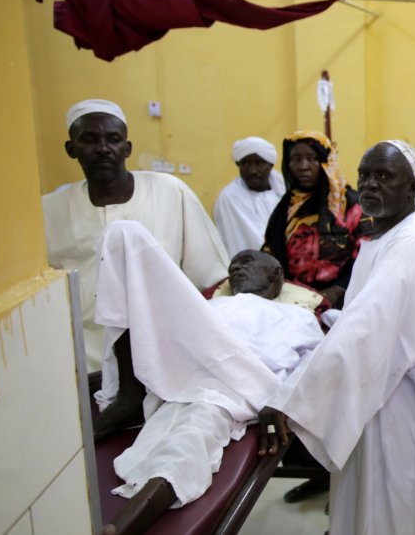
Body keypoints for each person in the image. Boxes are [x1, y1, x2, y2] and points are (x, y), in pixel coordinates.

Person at [258, 141, 415, 535]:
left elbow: (362, 335)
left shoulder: (406, 246)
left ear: (412, 188)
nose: (369, 185)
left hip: (398, 408)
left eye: (384, 176)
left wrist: (290, 402)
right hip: (386, 393)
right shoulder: (385, 236)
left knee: (394, 512)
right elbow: (373, 315)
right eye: (365, 175)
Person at [90, 221, 323, 535]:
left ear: (275, 274)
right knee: (122, 236)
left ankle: (121, 527)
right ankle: (127, 398)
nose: (237, 268)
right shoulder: (205, 306)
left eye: (247, 262)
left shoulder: (298, 315)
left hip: (234, 384)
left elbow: (313, 364)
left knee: (191, 434)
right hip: (184, 377)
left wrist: (282, 403)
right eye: (232, 266)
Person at [42, 99, 230, 370]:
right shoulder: (49, 211)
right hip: (86, 363)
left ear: (127, 148)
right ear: (71, 149)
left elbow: (212, 277)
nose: (103, 149)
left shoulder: (169, 192)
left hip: (170, 357)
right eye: (90, 140)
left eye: (113, 139)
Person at [263, 131, 368, 309]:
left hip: (342, 302)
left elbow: (366, 255)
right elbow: (271, 249)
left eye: (312, 158)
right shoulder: (286, 207)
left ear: (327, 162)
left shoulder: (350, 205)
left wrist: (338, 289)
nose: (303, 166)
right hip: (293, 302)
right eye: (296, 159)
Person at [213, 136, 286, 255]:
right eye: (246, 163)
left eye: (259, 163)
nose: (253, 170)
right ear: (239, 165)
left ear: (271, 165)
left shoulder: (283, 192)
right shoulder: (230, 197)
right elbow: (255, 242)